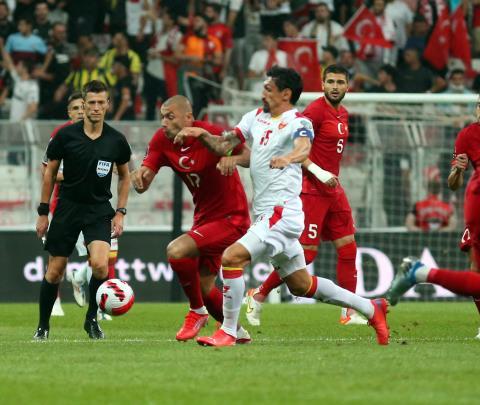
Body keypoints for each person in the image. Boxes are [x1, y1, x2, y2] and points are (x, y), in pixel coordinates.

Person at [174, 66, 389, 347]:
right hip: (265, 214)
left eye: (268, 88)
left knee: (231, 258)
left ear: (285, 94)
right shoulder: (254, 118)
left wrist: (289, 158)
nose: (262, 92)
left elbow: (303, 149)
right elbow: (223, 145)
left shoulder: (298, 121)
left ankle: (228, 330)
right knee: (302, 284)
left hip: (283, 213)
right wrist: (200, 134)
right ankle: (372, 309)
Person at [244, 64, 367, 327]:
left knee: (348, 248)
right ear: (322, 85)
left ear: (348, 86)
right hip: (311, 189)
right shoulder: (314, 111)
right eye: (330, 82)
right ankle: (259, 293)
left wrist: (328, 177)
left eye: (340, 82)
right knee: (306, 256)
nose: (335, 86)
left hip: (333, 189)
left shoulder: (343, 114)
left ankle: (349, 311)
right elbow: (299, 146)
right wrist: (319, 172)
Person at [131, 95, 252, 343]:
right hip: (205, 219)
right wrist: (139, 177)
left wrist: (233, 158)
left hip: (232, 217)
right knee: (205, 287)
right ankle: (237, 332)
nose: (163, 121)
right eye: (162, 116)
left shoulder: (211, 133)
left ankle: (197, 312)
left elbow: (250, 157)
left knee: (176, 250)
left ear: (189, 117)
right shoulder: (161, 141)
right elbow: (145, 180)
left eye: (170, 116)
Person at [34, 80, 131, 340]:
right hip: (67, 208)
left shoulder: (117, 140)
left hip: (99, 209)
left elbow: (125, 176)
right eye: (92, 103)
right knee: (55, 270)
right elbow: (49, 173)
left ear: (108, 105)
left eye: (101, 102)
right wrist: (43, 212)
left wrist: (120, 212)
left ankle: (91, 321)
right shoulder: (66, 136)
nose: (96, 107)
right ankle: (43, 326)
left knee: (100, 266)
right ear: (84, 105)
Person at [387, 98, 480, 337]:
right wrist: (458, 170)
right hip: (477, 199)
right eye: (479, 104)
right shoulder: (468, 135)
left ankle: (420, 273)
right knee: (476, 268)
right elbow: (453, 184)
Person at [40, 91, 85, 315]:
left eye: (83, 107)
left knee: (101, 258)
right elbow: (46, 171)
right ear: (69, 112)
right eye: (75, 108)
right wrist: (75, 177)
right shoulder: (60, 134)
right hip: (63, 205)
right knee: (58, 260)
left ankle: (81, 279)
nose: (80, 112)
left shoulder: (97, 134)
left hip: (92, 206)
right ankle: (55, 301)